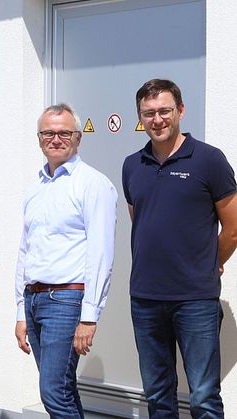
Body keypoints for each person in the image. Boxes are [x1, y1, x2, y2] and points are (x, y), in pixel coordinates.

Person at [122, 79, 237, 418]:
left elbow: (233, 228)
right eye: (149, 114)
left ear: (180, 111)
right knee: (157, 394)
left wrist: (210, 262)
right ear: (141, 117)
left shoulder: (209, 160)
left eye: (164, 111)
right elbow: (140, 220)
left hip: (194, 299)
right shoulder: (132, 164)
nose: (157, 120)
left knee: (202, 396)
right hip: (145, 297)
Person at [14, 103, 117, 418]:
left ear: (78, 138)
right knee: (62, 388)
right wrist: (20, 309)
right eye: (48, 133)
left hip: (67, 299)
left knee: (53, 391)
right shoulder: (37, 188)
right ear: (39, 138)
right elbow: (25, 250)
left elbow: (101, 253)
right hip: (34, 298)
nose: (55, 139)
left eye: (64, 133)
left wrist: (90, 316)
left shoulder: (93, 184)